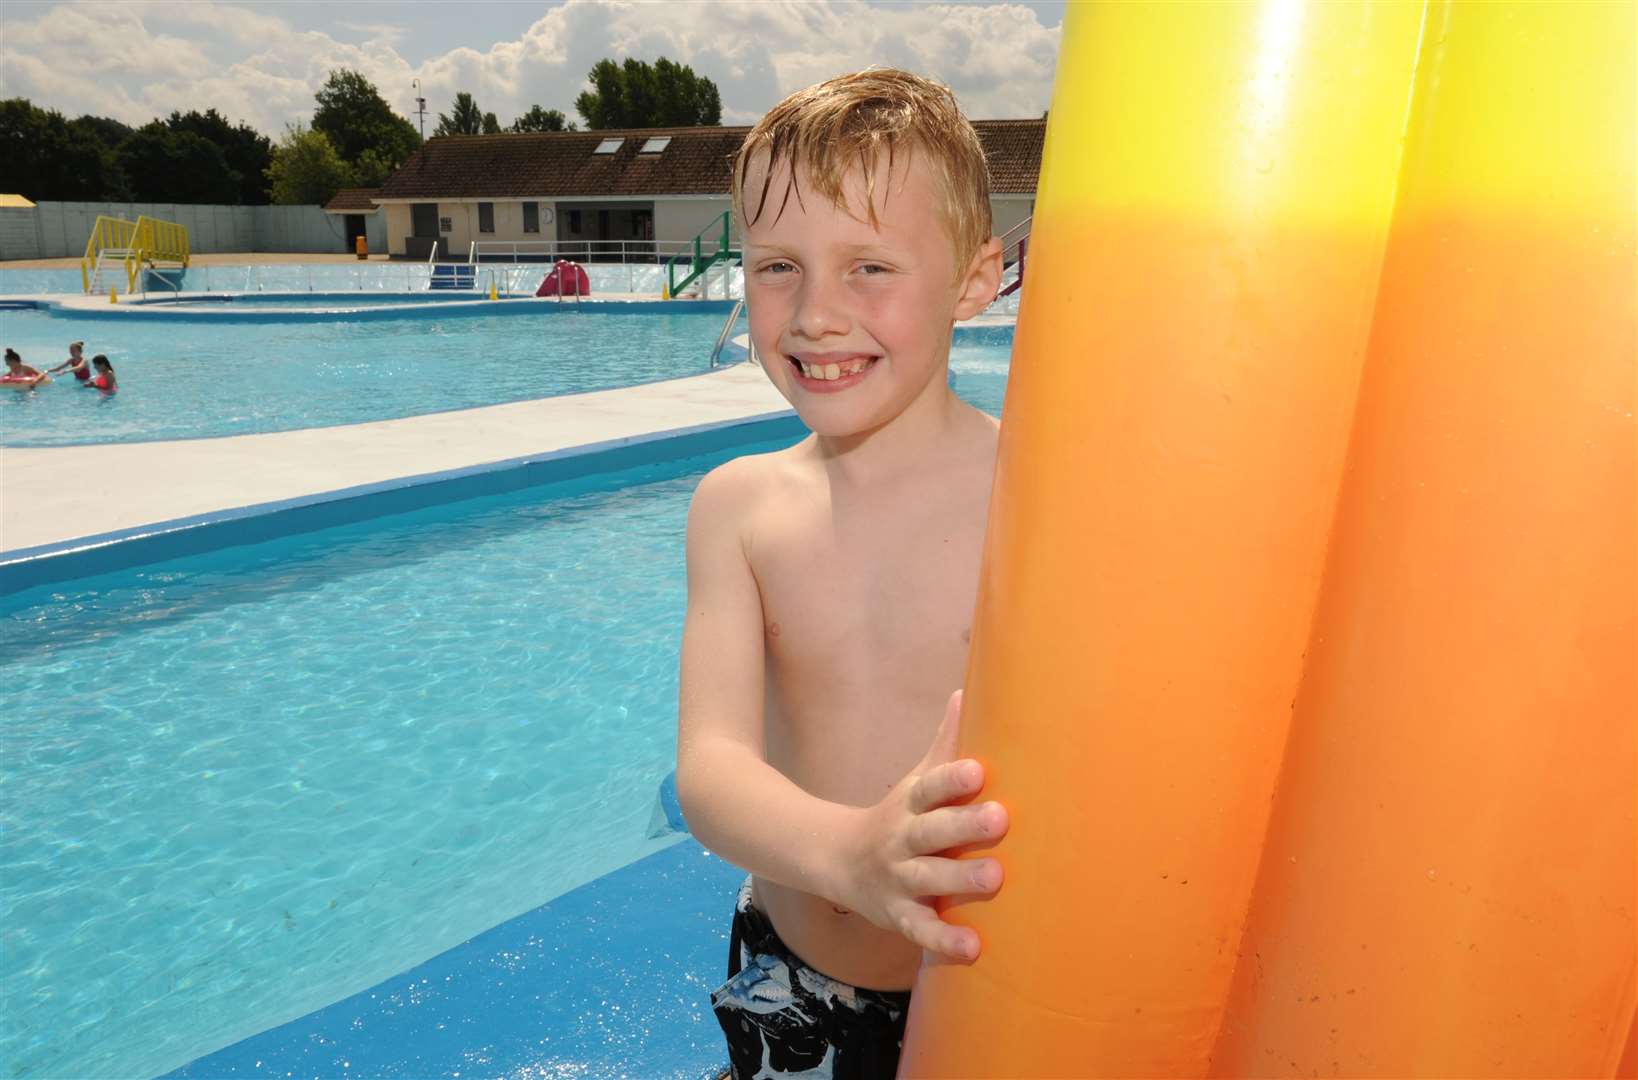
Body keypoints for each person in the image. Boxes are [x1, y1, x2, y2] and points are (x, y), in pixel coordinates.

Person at [676, 69, 1008, 1078]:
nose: (817, 313)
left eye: (869, 266)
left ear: (975, 279)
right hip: (799, 985)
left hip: (999, 994)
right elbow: (713, 771)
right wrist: (850, 856)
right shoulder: (738, 509)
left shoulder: (1035, 500)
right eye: (780, 266)